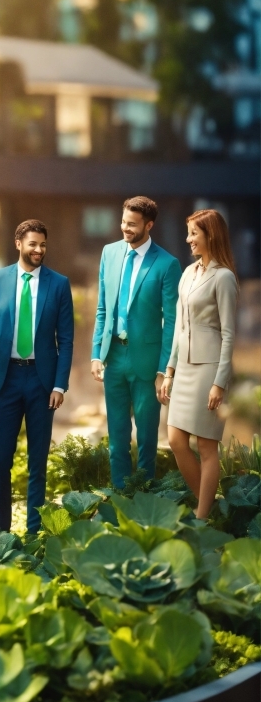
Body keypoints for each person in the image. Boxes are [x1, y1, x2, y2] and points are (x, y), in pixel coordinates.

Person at [0, 219, 74, 534]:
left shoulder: (58, 284)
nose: (38, 250)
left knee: (37, 464)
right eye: (33, 243)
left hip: (42, 382)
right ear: (18, 243)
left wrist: (60, 384)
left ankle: (33, 533)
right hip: (7, 380)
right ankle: (2, 533)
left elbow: (67, 339)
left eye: (43, 244)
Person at [91, 196, 182, 489]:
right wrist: (96, 354)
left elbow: (172, 323)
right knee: (117, 437)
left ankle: (143, 498)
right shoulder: (110, 253)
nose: (125, 228)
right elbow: (102, 308)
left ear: (149, 224)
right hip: (113, 356)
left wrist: (163, 370)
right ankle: (120, 498)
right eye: (123, 222)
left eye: (132, 224)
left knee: (146, 437)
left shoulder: (168, 264)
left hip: (146, 361)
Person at [161, 210, 238, 520]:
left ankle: (202, 517)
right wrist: (169, 371)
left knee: (207, 446)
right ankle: (210, 506)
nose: (188, 238)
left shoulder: (224, 277)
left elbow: (230, 334)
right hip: (184, 370)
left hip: (209, 368)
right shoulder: (188, 273)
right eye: (188, 232)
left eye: (194, 233)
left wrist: (220, 382)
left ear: (211, 236)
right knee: (176, 440)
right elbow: (179, 325)